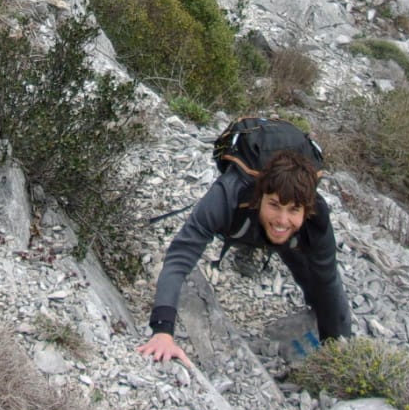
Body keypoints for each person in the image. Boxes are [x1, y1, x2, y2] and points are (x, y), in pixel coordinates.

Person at [137, 150, 351, 367]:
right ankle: (249, 246)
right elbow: (179, 257)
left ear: (307, 211)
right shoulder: (227, 196)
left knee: (311, 279)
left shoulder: (316, 220)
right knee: (271, 233)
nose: (282, 219)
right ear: (259, 198)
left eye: (294, 209)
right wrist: (163, 331)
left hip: (287, 237)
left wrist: (340, 351)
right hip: (242, 224)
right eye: (274, 205)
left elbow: (328, 282)